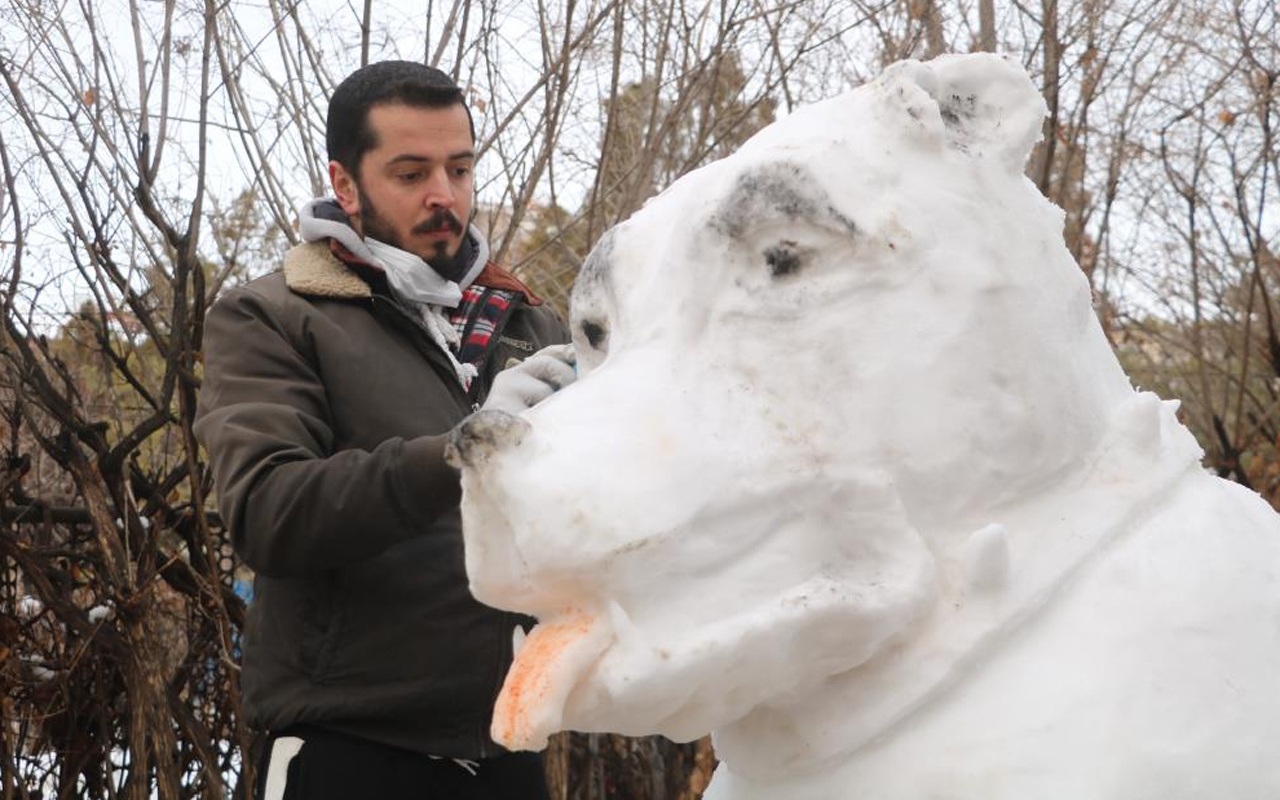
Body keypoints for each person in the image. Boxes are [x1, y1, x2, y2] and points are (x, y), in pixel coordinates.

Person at [194, 60, 574, 799]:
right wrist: (459, 454)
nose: (445, 195)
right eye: (410, 173)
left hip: (510, 750)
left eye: (459, 168)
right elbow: (267, 511)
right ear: (345, 185)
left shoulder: (531, 324)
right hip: (349, 751)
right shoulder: (272, 316)